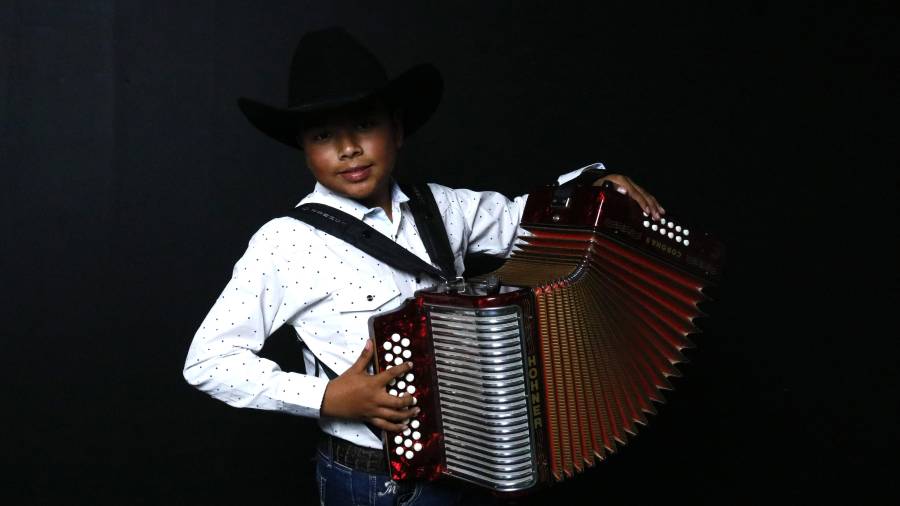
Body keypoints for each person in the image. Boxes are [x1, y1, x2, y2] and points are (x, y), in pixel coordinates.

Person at [182, 26, 665, 506]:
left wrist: (595, 183)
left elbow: (527, 219)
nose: (348, 148)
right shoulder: (286, 242)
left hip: (473, 462)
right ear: (305, 150)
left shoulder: (442, 207)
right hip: (373, 482)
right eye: (324, 134)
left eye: (365, 125)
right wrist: (328, 399)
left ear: (397, 129)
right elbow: (209, 362)